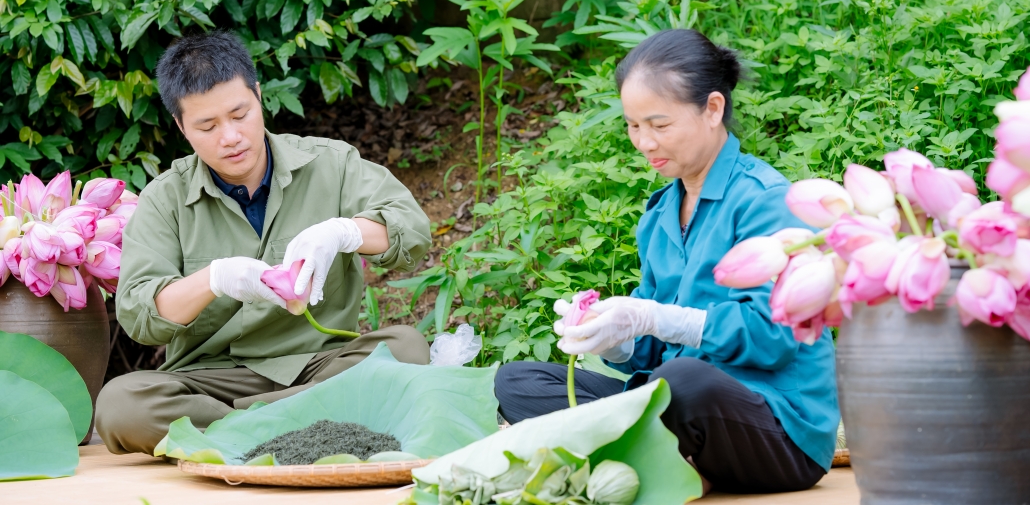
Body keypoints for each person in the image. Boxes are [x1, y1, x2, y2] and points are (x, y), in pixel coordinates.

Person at [494, 29, 839, 495]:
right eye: (633, 126)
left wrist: (655, 316)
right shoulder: (659, 214)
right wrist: (615, 336)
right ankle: (664, 461)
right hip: (674, 404)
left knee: (683, 382)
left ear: (712, 109)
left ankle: (642, 459)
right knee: (519, 382)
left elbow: (772, 338)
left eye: (659, 125)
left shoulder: (765, 201)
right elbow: (656, 351)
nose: (644, 142)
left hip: (773, 428)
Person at [95, 31, 432, 455]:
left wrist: (343, 232)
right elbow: (140, 316)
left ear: (258, 95)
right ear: (181, 127)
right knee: (120, 406)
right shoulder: (165, 198)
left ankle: (247, 433)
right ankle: (310, 426)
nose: (231, 137)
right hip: (214, 379)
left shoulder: (331, 162)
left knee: (407, 348)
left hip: (321, 364)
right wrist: (215, 280)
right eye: (208, 126)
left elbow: (413, 232)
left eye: (240, 114)